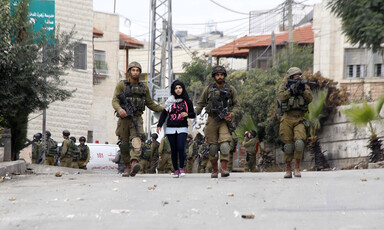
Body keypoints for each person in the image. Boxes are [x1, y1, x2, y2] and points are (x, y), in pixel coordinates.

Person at [112, 61, 164, 177]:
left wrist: (163, 109)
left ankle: (134, 161)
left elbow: (150, 104)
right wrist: (120, 109)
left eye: (137, 70)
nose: (135, 72)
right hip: (124, 119)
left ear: (139, 72)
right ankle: (127, 166)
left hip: (137, 118)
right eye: (133, 70)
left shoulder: (143, 88)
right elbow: (114, 100)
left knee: (137, 141)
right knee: (124, 144)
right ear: (129, 71)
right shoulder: (122, 85)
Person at [195, 66, 240, 178]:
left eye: (221, 74)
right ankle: (214, 170)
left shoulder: (231, 89)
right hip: (212, 119)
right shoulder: (208, 89)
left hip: (225, 121)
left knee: (225, 145)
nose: (219, 77)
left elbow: (237, 105)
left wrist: (232, 114)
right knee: (213, 147)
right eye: (217, 75)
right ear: (214, 76)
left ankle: (224, 169)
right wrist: (193, 113)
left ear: (224, 76)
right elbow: (200, 103)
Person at [277, 67, 313, 178]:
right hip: (287, 118)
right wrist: (290, 90)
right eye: (295, 76)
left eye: (299, 75)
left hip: (300, 118)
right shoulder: (284, 86)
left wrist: (303, 90)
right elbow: (281, 97)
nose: (297, 77)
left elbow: (310, 98)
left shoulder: (304, 86)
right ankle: (288, 169)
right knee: (288, 146)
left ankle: (297, 168)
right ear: (290, 77)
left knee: (299, 142)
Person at [157, 80, 196, 177]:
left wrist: (187, 114)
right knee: (173, 149)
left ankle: (182, 168)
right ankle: (175, 170)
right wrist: (159, 125)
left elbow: (193, 114)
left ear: (183, 89)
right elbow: (164, 114)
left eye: (180, 88)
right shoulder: (169, 101)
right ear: (173, 90)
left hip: (182, 127)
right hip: (170, 128)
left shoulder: (187, 101)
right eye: (176, 88)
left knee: (180, 147)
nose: (178, 90)